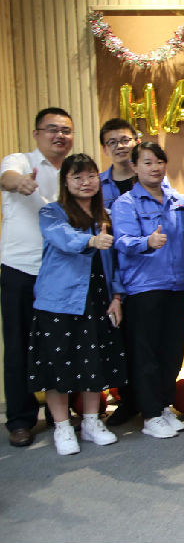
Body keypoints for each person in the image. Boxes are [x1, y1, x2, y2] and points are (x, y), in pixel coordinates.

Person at [28, 154, 126, 454]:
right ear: (66, 182)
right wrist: (90, 241)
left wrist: (116, 297)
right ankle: (62, 426)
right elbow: (62, 238)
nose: (86, 183)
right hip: (58, 301)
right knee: (57, 366)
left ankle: (92, 423)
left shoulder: (105, 216)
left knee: (93, 362)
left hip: (97, 299)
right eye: (77, 177)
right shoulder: (52, 212)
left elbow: (116, 262)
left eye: (91, 176)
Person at [111, 142, 184, 439]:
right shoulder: (126, 203)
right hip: (144, 288)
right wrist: (146, 242)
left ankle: (163, 406)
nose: (155, 168)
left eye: (159, 162)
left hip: (176, 286)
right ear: (134, 167)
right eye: (147, 163)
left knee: (172, 351)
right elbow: (122, 242)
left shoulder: (178, 202)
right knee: (146, 354)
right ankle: (150, 414)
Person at [1, 107, 74, 447]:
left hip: (60, 273)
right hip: (21, 269)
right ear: (37, 134)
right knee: (18, 347)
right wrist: (21, 183)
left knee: (60, 345)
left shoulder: (73, 172)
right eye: (52, 129)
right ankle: (20, 420)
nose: (60, 135)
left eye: (66, 130)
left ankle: (62, 417)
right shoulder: (20, 160)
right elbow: (6, 178)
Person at [96, 118, 142, 427]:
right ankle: (127, 401)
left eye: (124, 139)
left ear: (136, 141)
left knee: (144, 338)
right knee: (118, 339)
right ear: (105, 148)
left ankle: (152, 400)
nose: (119, 146)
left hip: (145, 273)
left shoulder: (151, 177)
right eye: (112, 142)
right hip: (111, 273)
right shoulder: (97, 185)